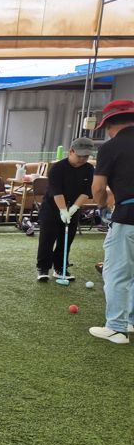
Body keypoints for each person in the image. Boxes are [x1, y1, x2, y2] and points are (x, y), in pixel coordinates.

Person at [89, 99, 134, 345]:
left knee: (117, 273)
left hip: (128, 218)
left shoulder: (111, 147)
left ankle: (116, 327)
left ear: (109, 125)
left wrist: (102, 204)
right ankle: (131, 321)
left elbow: (98, 187)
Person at [35, 137, 96, 282]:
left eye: (86, 156)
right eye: (80, 155)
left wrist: (74, 208)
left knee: (66, 240)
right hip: (52, 207)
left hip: (72, 208)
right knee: (47, 239)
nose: (83, 159)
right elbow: (56, 191)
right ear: (71, 151)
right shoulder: (57, 168)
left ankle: (60, 268)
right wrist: (63, 210)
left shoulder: (89, 169)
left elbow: (86, 191)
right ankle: (43, 268)